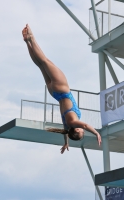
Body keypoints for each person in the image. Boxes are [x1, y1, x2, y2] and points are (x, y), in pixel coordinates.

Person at [22, 24, 102, 154]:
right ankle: (27, 42)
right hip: (54, 93)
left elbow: (86, 126)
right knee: (40, 64)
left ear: (76, 129)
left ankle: (31, 38)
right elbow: (65, 132)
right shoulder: (67, 124)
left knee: (45, 61)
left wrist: (96, 133)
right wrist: (66, 142)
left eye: (81, 131)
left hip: (62, 90)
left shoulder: (74, 122)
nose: (82, 129)